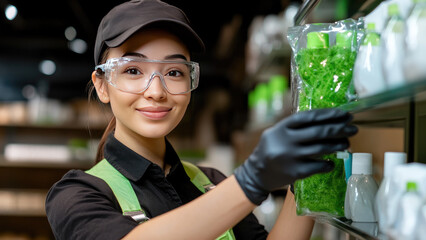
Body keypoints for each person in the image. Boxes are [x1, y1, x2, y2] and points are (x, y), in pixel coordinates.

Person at [45, 0, 358, 239]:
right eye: (132, 70)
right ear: (102, 86)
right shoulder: (76, 194)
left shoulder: (213, 183)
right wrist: (250, 182)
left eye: (174, 72)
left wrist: (306, 173)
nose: (156, 91)